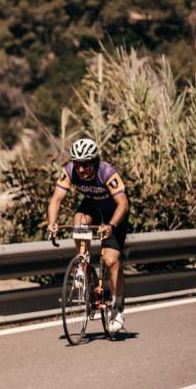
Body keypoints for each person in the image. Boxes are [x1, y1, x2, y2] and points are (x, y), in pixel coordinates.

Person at [47, 137, 130, 333]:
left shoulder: (106, 172)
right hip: (93, 206)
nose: (81, 170)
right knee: (79, 220)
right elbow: (56, 200)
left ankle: (117, 308)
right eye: (77, 164)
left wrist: (111, 225)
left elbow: (123, 204)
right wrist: (52, 223)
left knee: (110, 262)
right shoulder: (69, 171)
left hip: (115, 213)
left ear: (94, 162)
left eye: (85, 165)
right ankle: (81, 266)